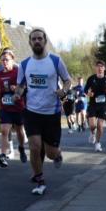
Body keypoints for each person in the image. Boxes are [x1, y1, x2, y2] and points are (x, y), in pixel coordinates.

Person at [15, 28, 72, 195]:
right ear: (30, 43)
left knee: (51, 153)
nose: (37, 41)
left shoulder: (55, 61)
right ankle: (40, 180)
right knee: (34, 146)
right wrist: (17, 94)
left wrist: (64, 91)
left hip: (51, 113)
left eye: (40, 38)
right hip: (31, 112)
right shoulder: (25, 64)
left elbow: (67, 80)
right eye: (34, 39)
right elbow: (20, 85)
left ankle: (58, 153)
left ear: (45, 41)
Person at [0, 49, 27, 167]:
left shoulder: (18, 72)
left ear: (12, 60)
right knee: (4, 131)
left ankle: (21, 148)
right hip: (5, 107)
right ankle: (2, 155)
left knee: (19, 131)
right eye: (2, 60)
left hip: (18, 107)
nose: (4, 62)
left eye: (6, 60)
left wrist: (16, 89)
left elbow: (24, 87)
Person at [85, 60, 106, 152]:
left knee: (100, 125)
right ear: (95, 68)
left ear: (104, 68)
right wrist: (88, 93)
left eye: (101, 66)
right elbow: (86, 90)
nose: (100, 68)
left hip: (103, 105)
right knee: (92, 125)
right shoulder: (91, 78)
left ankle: (98, 143)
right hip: (93, 104)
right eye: (98, 66)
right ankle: (92, 133)